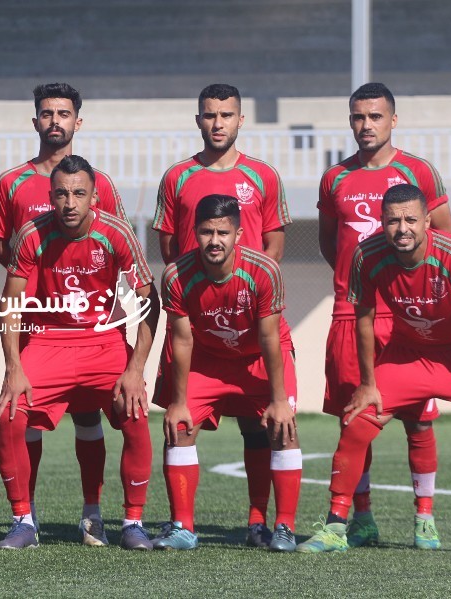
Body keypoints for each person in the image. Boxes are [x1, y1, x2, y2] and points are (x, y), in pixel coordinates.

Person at [297, 184, 451, 557]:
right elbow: (364, 319)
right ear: (381, 222)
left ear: (428, 221)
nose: (402, 228)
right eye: (393, 221)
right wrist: (368, 383)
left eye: (411, 219)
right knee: (357, 422)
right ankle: (335, 526)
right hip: (407, 353)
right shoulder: (366, 254)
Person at [0, 82, 129, 544]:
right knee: (23, 415)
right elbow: (0, 244)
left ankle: (92, 514)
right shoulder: (11, 182)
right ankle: (26, 518)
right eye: (47, 113)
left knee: (88, 417)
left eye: (63, 114)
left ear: (77, 122)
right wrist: (33, 278)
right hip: (35, 323)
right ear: (35, 121)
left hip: (89, 326)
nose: (55, 121)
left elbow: (114, 242)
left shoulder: (99, 183)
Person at [151, 83, 294, 547]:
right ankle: (182, 527)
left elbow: (273, 247)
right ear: (199, 120)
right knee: (179, 424)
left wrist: (246, 293)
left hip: (253, 323)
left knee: (264, 425)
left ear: (240, 120)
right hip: (200, 326)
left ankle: (261, 522)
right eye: (210, 115)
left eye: (226, 115)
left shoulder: (263, 176)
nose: (218, 123)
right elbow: (169, 249)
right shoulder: (177, 177)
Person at [316, 82, 451, 549]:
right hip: (350, 314)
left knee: (420, 420)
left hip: (405, 318)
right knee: (355, 420)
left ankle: (424, 517)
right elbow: (330, 243)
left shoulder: (419, 172)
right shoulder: (335, 178)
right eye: (358, 117)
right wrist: (355, 284)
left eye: (375, 116)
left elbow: (447, 240)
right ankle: (362, 518)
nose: (366, 125)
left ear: (393, 120)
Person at [0, 155, 159, 550]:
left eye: (79, 193)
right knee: (10, 413)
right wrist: (13, 367)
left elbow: (149, 302)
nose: (70, 203)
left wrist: (135, 369)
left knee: (135, 412)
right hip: (48, 340)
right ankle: (23, 521)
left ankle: (132, 523)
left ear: (94, 197)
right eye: (62, 194)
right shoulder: (32, 233)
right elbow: (10, 304)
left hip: (103, 341)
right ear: (51, 196)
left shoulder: (116, 232)